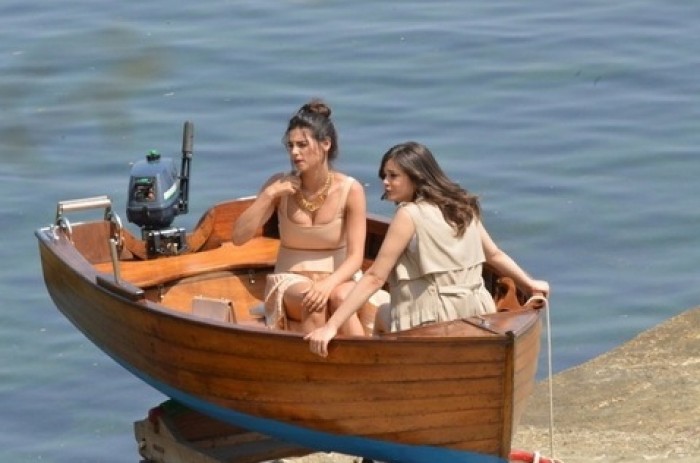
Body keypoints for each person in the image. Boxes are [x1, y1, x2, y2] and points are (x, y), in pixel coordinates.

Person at [305, 141, 550, 357]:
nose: (385, 182)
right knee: (383, 312)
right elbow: (494, 255)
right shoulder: (462, 207)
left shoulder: (408, 215)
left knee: (382, 315)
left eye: (393, 176)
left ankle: (381, 376)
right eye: (384, 175)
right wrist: (529, 284)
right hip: (479, 312)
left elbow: (375, 277)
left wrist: (331, 326)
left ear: (416, 177)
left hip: (434, 319)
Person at [232, 99, 369, 335]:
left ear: (326, 144)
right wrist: (269, 194)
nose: (295, 152)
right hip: (290, 280)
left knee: (341, 299)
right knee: (312, 301)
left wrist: (327, 284)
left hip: (339, 278)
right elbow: (238, 237)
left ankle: (366, 356)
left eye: (302, 145)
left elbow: (356, 258)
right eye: (290, 145)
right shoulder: (279, 184)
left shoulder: (351, 189)